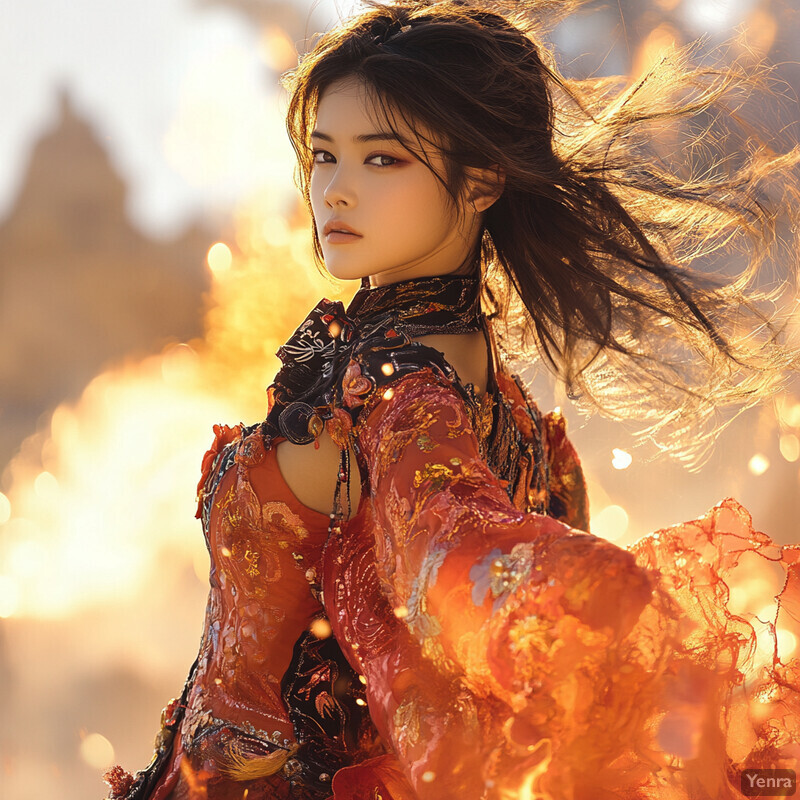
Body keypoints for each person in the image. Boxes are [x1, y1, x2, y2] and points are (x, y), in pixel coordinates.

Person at [104, 1, 800, 798]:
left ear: (481, 180)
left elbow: (451, 562)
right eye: (324, 156)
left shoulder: (401, 400)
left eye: (382, 161)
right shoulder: (516, 423)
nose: (335, 191)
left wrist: (635, 627)